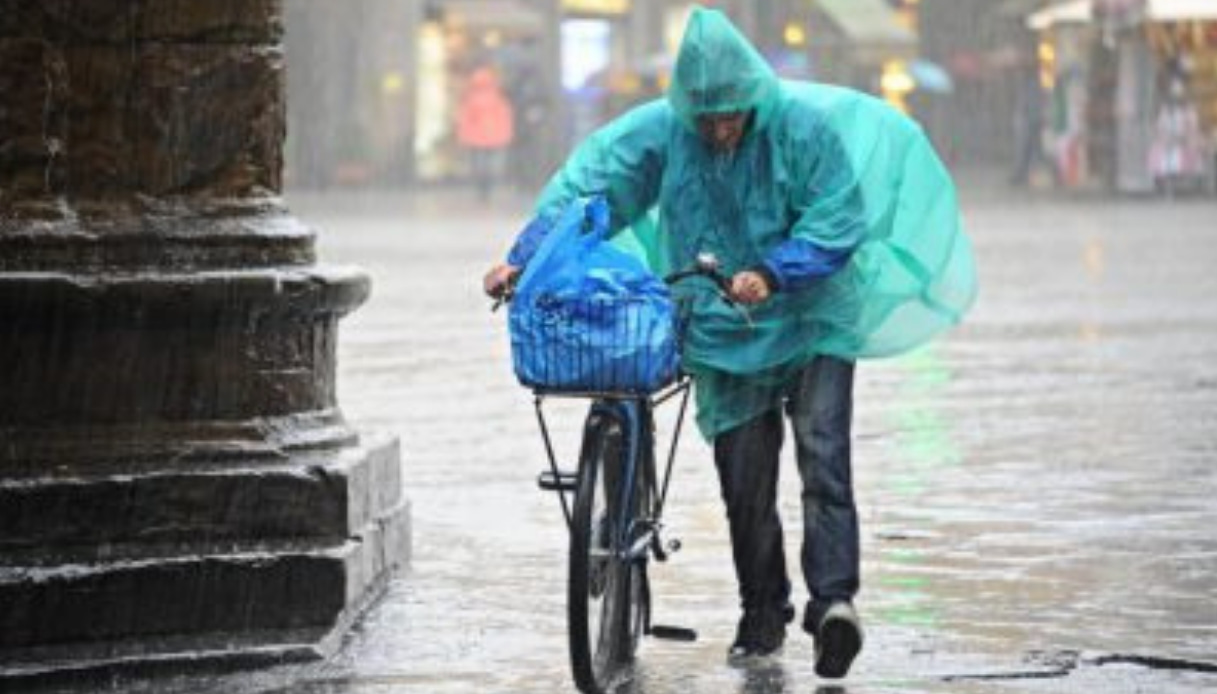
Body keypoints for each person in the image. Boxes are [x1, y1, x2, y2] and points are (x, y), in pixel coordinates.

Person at [483, 7, 976, 678]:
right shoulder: (663, 134)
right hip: (721, 326)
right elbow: (590, 192)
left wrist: (775, 272)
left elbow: (837, 218)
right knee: (745, 483)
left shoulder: (801, 132)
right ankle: (762, 612)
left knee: (822, 457)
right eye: (707, 119)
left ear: (754, 100)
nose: (720, 130)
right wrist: (525, 257)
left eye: (731, 116)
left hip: (812, 318)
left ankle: (833, 603)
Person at [456, 66, 515, 201]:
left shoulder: (470, 98)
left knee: (479, 166)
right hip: (495, 137)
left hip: (477, 138)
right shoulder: (499, 97)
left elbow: (464, 119)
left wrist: (464, 136)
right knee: (491, 166)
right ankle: (487, 189)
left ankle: (482, 189)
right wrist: (506, 134)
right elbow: (505, 118)